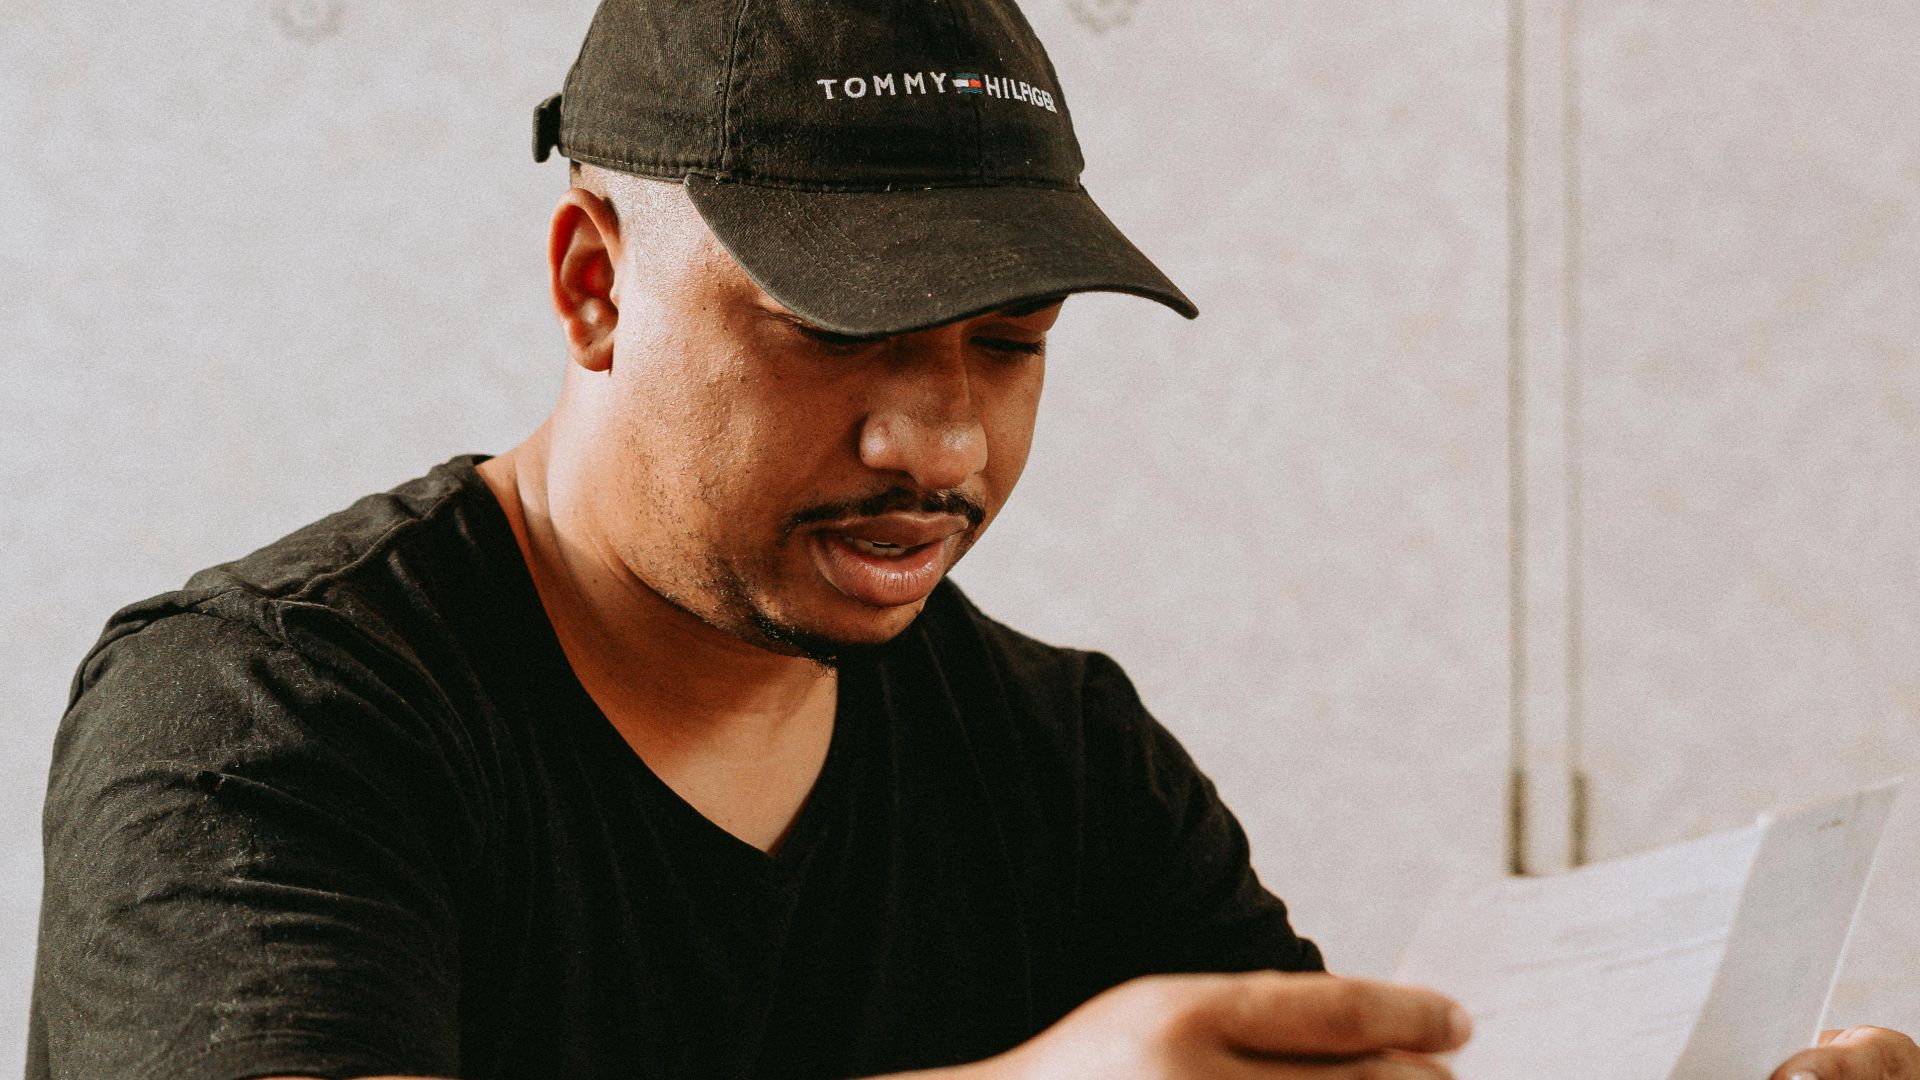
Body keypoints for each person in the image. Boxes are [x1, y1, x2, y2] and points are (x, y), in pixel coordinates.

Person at [26, 2, 1917, 1079]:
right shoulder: (265, 712)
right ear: (596, 284)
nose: (936, 441)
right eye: (836, 330)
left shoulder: (1065, 764)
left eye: (1010, 346)